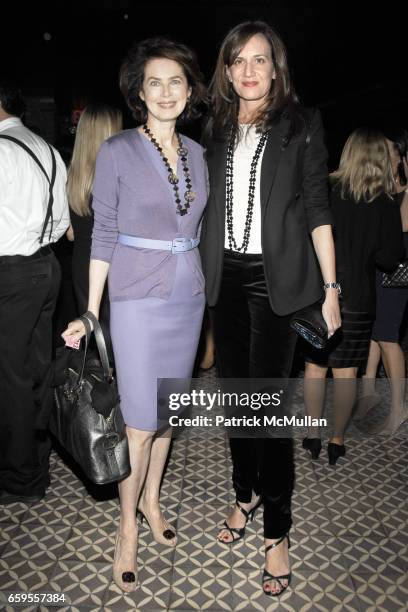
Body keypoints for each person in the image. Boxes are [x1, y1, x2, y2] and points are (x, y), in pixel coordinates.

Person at [200, 21, 341, 597]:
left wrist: (332, 291)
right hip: (224, 279)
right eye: (239, 61)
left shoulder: (301, 125)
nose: (250, 71)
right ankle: (244, 492)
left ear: (276, 67)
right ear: (227, 70)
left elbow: (317, 209)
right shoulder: (212, 127)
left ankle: (277, 533)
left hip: (277, 284)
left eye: (260, 60)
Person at [62, 38, 207, 591]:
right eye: (155, 82)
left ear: (189, 90)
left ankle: (151, 500)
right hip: (137, 298)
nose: (166, 91)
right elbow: (101, 234)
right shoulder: (119, 150)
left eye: (176, 81)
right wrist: (90, 314)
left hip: (186, 296)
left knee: (168, 413)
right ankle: (126, 526)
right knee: (139, 423)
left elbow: (194, 230)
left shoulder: (196, 153)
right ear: (138, 92)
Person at [302, 128, 404, 463]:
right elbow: (389, 259)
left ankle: (313, 434)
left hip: (319, 293)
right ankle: (337, 439)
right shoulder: (385, 202)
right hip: (359, 300)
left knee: (316, 368)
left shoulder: (328, 190)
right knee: (346, 374)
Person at [0, 80, 69, 504]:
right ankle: (37, 463)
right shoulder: (46, 149)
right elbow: (61, 221)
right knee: (35, 372)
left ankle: (17, 477)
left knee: (9, 379)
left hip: (10, 273)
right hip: (46, 267)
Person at [356, 128, 408, 434]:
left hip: (399, 270)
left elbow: (398, 237)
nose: (385, 156)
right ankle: (369, 391)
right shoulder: (387, 187)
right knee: (376, 331)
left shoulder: (402, 190)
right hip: (382, 267)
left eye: (390, 151)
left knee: (387, 337)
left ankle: (399, 408)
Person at [66, 103, 123, 361]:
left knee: (94, 337)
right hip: (113, 263)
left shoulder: (72, 175)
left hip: (81, 263)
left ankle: (100, 395)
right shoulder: (117, 176)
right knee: (118, 339)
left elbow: (70, 234)